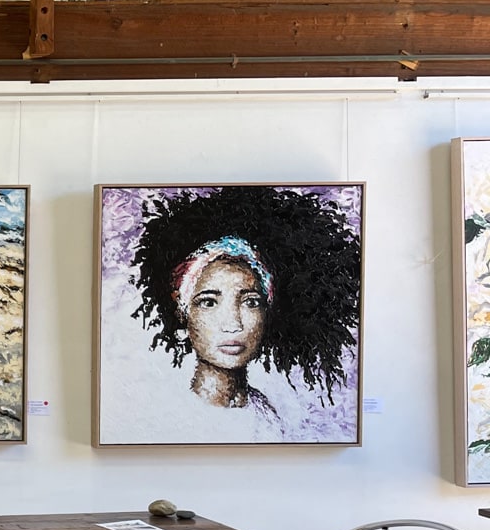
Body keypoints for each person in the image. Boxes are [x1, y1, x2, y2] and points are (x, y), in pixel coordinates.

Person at [123, 186, 361, 441]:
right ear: (183, 315)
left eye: (250, 302)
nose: (233, 324)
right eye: (209, 302)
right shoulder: (167, 417)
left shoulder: (267, 417)